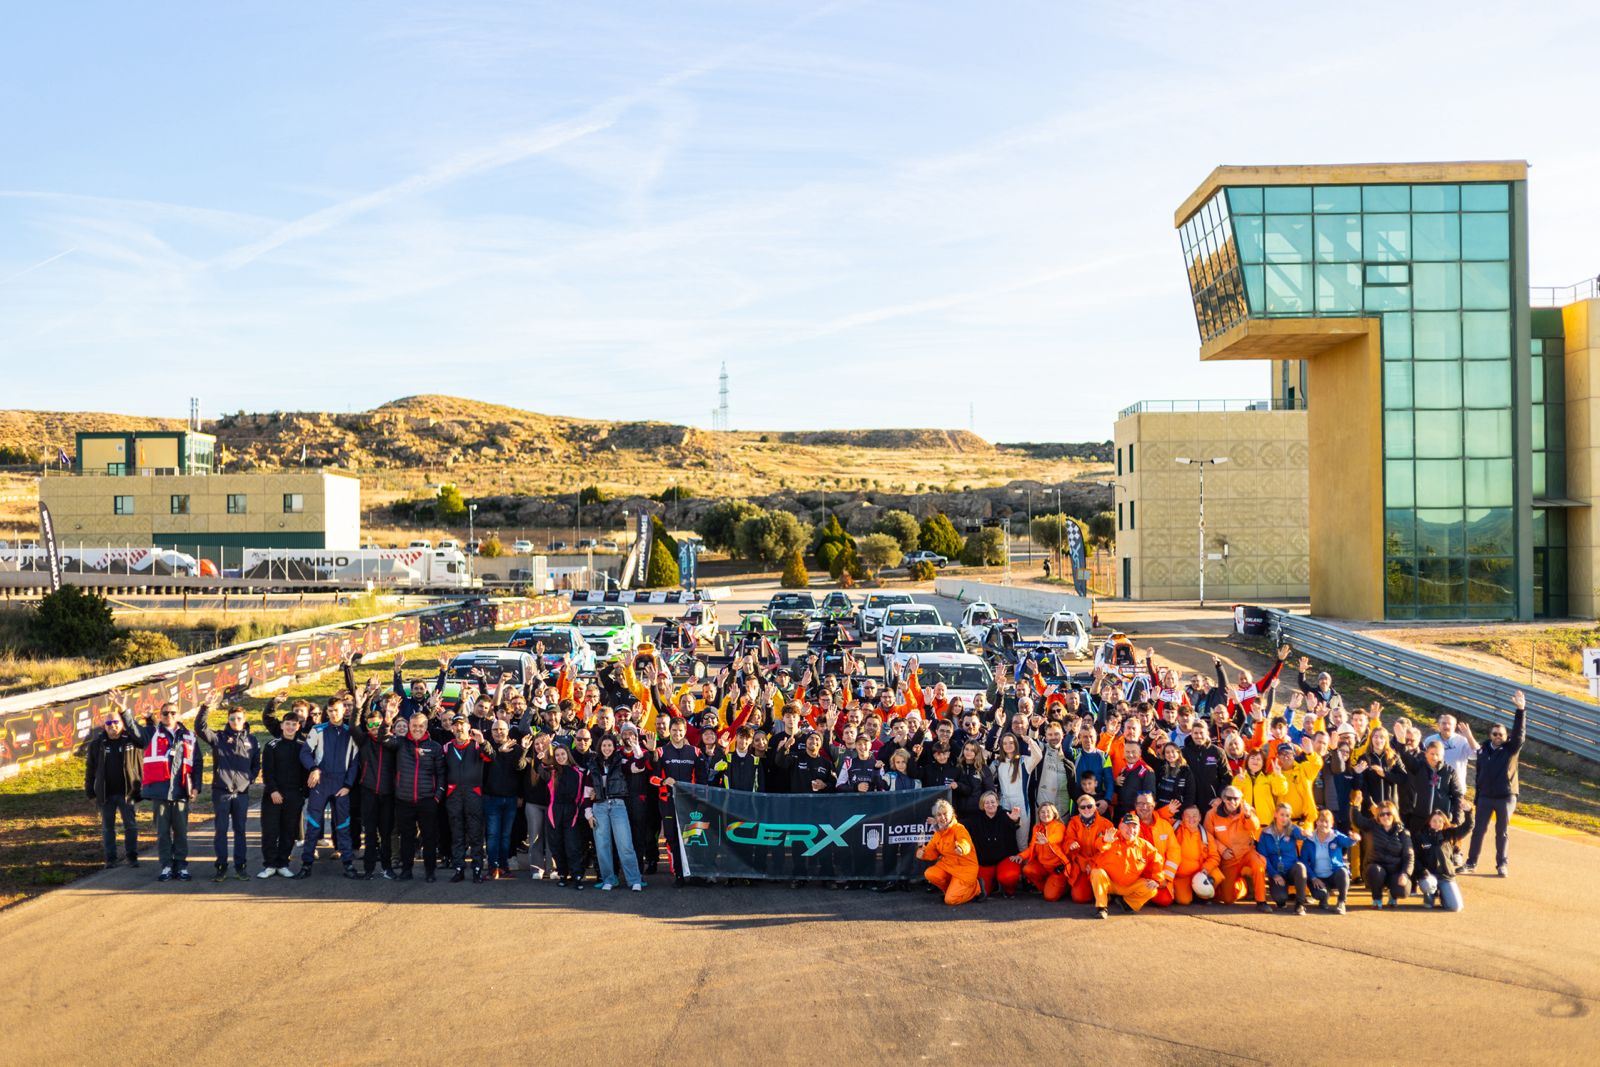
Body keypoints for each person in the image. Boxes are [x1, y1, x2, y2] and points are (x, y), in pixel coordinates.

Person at [132, 699, 204, 882]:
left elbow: (197, 763)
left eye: (173, 713)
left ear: (178, 714)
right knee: (163, 833)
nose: (169, 716)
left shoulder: (189, 736)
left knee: (181, 833)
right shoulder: (152, 732)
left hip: (181, 791)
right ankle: (166, 866)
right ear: (160, 715)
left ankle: (181, 866)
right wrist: (125, 711)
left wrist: (196, 787)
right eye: (165, 713)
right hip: (160, 791)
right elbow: (134, 732)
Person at [194, 696, 260, 882]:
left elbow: (256, 764)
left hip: (242, 793)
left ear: (244, 720)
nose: (235, 721)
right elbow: (200, 728)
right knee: (221, 831)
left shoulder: (252, 740)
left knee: (240, 831)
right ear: (228, 720)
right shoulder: (219, 738)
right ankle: (221, 867)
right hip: (221, 792)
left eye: (239, 718)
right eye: (232, 718)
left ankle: (241, 867)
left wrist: (250, 779)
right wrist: (205, 706)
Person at [298, 697, 360, 879]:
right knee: (313, 825)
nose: (333, 714)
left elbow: (355, 762)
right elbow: (305, 753)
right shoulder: (318, 729)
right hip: (321, 782)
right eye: (330, 711)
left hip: (341, 784)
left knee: (343, 825)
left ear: (344, 711)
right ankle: (306, 864)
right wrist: (313, 768)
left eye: (337, 710)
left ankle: (348, 864)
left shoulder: (351, 732)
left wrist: (348, 785)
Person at [1467, 690, 1526, 877]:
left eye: (1501, 734)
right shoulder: (1483, 750)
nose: (1498, 736)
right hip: (1485, 796)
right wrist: (1477, 797)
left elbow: (1519, 734)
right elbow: (1479, 775)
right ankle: (1471, 862)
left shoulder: (1511, 749)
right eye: (1495, 734)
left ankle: (1502, 864)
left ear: (1506, 736)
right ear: (1490, 735)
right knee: (1478, 830)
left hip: (1506, 797)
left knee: (1502, 832)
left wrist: (1520, 710)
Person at [387, 711, 446, 882]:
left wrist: (437, 797)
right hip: (404, 800)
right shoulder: (400, 743)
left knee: (429, 837)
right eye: (414, 726)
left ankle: (430, 872)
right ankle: (406, 871)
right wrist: (387, 719)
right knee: (407, 837)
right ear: (409, 726)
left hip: (427, 800)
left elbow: (441, 774)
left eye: (421, 726)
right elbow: (383, 738)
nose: (417, 729)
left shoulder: (435, 747)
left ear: (426, 726)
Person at [84, 703, 142, 869]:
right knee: (108, 828)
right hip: (106, 794)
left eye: (116, 722)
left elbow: (142, 740)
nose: (113, 726)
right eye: (109, 723)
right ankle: (111, 859)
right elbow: (90, 770)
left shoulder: (131, 741)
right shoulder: (97, 744)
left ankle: (132, 857)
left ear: (122, 724)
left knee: (130, 826)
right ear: (104, 726)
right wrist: (90, 792)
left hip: (127, 792)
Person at [589, 734, 644, 891]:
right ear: (600, 747)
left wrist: (637, 750)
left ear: (614, 747)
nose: (607, 748)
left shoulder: (620, 761)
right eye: (604, 745)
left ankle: (634, 880)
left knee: (625, 844)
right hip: (599, 806)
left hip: (618, 805)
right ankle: (609, 879)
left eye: (610, 745)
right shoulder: (593, 762)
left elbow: (638, 766)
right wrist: (588, 812)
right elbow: (587, 788)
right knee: (602, 846)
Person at [259, 706, 309, 877]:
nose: (290, 727)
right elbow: (267, 772)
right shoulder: (271, 746)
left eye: (294, 724)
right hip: (273, 796)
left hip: (294, 795)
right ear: (281, 726)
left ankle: (282, 864)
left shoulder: (303, 746)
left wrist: (303, 794)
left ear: (298, 727)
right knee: (270, 832)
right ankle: (270, 865)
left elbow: (306, 772)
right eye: (287, 724)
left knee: (288, 832)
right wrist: (273, 791)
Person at [441, 714, 490, 883]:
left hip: (473, 794)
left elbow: (491, 757)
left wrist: (483, 742)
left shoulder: (477, 744)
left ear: (469, 727)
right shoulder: (446, 747)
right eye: (456, 725)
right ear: (452, 728)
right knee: (457, 834)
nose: (459, 728)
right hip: (453, 795)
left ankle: (477, 869)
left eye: (462, 724)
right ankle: (459, 868)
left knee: (476, 833)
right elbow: (441, 771)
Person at [1204, 786, 1268, 910]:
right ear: (1223, 799)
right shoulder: (1212, 814)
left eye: (1236, 798)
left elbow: (1255, 827)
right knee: (1227, 899)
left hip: (1246, 853)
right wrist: (1222, 849)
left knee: (1259, 865)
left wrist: (1248, 815)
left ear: (1240, 799)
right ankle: (1244, 885)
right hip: (1229, 859)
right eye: (1229, 798)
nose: (1233, 801)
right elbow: (1208, 836)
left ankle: (1261, 901)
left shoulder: (1247, 810)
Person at [1088, 813, 1164, 918]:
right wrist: (1105, 841)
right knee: (1097, 873)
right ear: (1120, 827)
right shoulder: (1111, 838)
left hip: (1130, 886)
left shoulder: (1145, 846)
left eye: (1134, 826)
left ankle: (1126, 903)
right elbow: (1098, 845)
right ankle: (1101, 908)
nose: (1131, 830)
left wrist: (1157, 879)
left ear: (1139, 828)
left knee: (1152, 888)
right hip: (1109, 883)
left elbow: (1157, 861)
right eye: (1127, 826)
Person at [998, 802, 1071, 901]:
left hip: (1057, 869)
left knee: (1050, 897)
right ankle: (1047, 887)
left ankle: (1063, 887)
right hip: (1043, 866)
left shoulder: (1059, 826)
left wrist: (1047, 841)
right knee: (1027, 869)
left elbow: (1058, 837)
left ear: (1054, 814)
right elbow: (1032, 847)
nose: (1045, 814)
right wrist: (1020, 856)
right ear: (1039, 815)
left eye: (1048, 812)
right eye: (1042, 812)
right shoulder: (1036, 828)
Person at [917, 798, 981, 905]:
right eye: (939, 815)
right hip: (948, 866)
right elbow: (931, 853)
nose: (942, 817)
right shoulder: (938, 833)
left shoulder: (959, 828)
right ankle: (951, 891)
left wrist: (961, 848)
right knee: (930, 874)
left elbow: (965, 842)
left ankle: (976, 888)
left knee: (950, 900)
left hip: (965, 869)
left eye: (945, 813)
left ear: (951, 814)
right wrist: (922, 852)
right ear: (936, 817)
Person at [1414, 801, 1475, 911]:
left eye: (1440, 821)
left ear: (1444, 823)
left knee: (1455, 907)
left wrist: (1469, 812)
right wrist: (1422, 871)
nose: (1437, 823)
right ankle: (1429, 897)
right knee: (1429, 885)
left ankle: (1443, 896)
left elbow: (1468, 826)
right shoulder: (1420, 836)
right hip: (1428, 876)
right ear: (1429, 822)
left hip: (1445, 876)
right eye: (1434, 821)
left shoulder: (1450, 834)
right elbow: (1415, 858)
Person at [546, 742, 591, 889]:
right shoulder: (552, 772)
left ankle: (577, 875)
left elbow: (583, 795)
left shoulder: (578, 772)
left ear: (568, 755)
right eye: (557, 755)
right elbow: (539, 768)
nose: (560, 757)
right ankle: (562, 874)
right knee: (556, 845)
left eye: (563, 754)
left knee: (573, 845)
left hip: (572, 812)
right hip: (555, 812)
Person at [482, 720, 523, 880]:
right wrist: (499, 751)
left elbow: (520, 771)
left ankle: (504, 866)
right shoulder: (488, 747)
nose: (498, 732)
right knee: (492, 835)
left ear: (508, 731)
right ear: (491, 731)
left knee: (506, 836)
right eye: (495, 729)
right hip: (491, 798)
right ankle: (493, 868)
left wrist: (520, 795)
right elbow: (487, 765)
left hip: (511, 799)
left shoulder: (516, 748)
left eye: (502, 729)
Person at [1356, 800, 1414, 908]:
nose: (1385, 816)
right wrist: (1355, 806)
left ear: (1394, 814)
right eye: (1382, 814)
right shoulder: (1371, 827)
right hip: (1376, 869)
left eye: (1388, 813)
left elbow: (1409, 856)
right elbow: (1357, 821)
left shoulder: (1403, 832)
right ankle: (1377, 898)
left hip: (1395, 870)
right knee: (1374, 871)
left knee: (1403, 891)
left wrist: (1405, 874)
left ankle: (1393, 894)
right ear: (1378, 816)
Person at [1299, 809, 1356, 913]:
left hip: (1333, 875)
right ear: (1317, 822)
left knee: (1343, 872)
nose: (1324, 824)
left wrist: (1353, 839)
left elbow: (1347, 842)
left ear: (1332, 824)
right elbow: (1303, 861)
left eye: (1327, 821)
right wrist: (1313, 877)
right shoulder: (1309, 840)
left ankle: (1341, 902)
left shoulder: (1336, 836)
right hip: (1317, 877)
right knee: (1320, 894)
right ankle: (1324, 898)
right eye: (1321, 821)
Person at [1258, 803, 1309, 914]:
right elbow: (1263, 856)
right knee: (1280, 899)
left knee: (1301, 867)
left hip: (1291, 870)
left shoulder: (1292, 829)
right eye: (1282, 814)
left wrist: (1304, 834)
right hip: (1276, 872)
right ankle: (1281, 898)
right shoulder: (1265, 833)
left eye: (1287, 815)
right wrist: (1274, 874)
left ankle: (1300, 904)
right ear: (1275, 814)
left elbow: (1300, 835)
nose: (1284, 818)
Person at [968, 791, 1019, 897]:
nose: (990, 805)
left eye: (992, 802)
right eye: (986, 803)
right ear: (982, 805)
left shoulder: (1006, 814)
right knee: (982, 891)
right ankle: (993, 883)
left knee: (1009, 877)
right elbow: (958, 825)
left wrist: (1015, 821)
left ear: (997, 803)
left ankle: (1008, 890)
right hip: (985, 862)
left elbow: (1014, 826)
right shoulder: (975, 819)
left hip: (1005, 858)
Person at [518, 732, 554, 879]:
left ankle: (553, 868)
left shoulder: (555, 759)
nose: (540, 746)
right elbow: (518, 766)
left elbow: (548, 779)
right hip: (533, 803)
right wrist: (524, 749)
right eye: (537, 744)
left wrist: (541, 762)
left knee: (551, 837)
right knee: (535, 836)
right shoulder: (529, 760)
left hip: (551, 804)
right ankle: (536, 868)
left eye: (543, 743)